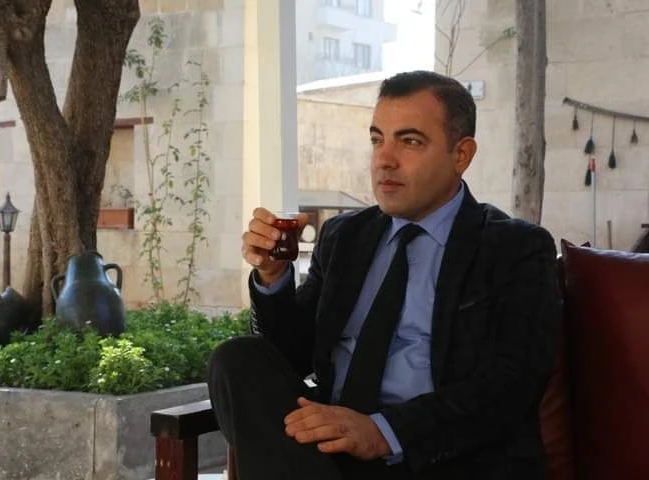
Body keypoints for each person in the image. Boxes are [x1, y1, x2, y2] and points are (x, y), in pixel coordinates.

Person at [208, 70, 561, 480]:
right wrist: (272, 278)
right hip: (328, 452)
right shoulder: (344, 236)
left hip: (434, 457)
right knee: (237, 359)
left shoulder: (513, 248)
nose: (384, 160)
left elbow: (510, 386)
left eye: (410, 141)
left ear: (461, 155)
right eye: (377, 140)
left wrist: (382, 431)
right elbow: (290, 356)